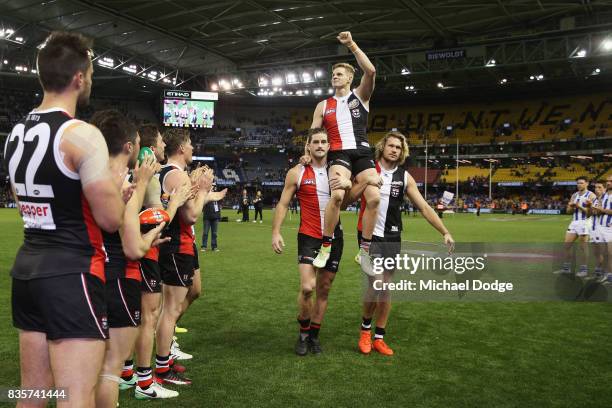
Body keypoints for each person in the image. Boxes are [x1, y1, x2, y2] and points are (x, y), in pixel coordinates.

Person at [3, 31, 125, 407]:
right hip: (73, 273)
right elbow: (109, 220)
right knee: (75, 397)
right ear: (79, 78)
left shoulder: (14, 134)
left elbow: (26, 201)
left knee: (33, 395)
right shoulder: (82, 136)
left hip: (28, 270)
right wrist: (120, 192)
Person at [91, 110, 179, 406]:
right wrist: (152, 232)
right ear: (128, 146)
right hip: (118, 274)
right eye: (139, 142)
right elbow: (133, 248)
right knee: (109, 369)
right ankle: (141, 380)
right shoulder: (123, 183)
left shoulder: (89, 176)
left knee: (86, 370)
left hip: (86, 274)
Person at [347, 132, 454, 355]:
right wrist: (363, 181)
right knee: (378, 285)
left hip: (393, 236)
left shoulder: (405, 177)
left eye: (398, 147)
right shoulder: (368, 170)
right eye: (391, 145)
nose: (394, 150)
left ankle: (379, 337)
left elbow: (424, 207)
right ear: (382, 147)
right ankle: (365, 331)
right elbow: (349, 198)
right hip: (369, 236)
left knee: (386, 289)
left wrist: (444, 231)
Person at [154, 128, 226, 386]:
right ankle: (162, 368)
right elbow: (190, 216)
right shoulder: (177, 175)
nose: (193, 148)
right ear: (182, 149)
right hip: (177, 245)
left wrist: (206, 194)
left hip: (179, 244)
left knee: (190, 294)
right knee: (169, 310)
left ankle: (165, 352)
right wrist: (204, 191)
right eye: (191, 144)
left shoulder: (167, 173)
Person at [272, 128, 351, 355]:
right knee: (308, 288)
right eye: (315, 141)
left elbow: (351, 194)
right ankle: (303, 333)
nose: (319, 145)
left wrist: (347, 184)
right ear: (308, 146)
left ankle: (314, 336)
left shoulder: (337, 171)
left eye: (323, 141)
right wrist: (276, 231)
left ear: (328, 146)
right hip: (308, 236)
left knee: (324, 289)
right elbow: (283, 204)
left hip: (335, 237)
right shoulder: (296, 172)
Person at [128, 123, 191, 399]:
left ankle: (127, 372)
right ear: (151, 148)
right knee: (147, 316)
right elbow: (160, 218)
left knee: (135, 315)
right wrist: (175, 202)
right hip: (146, 247)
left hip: (137, 246)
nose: (165, 146)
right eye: (161, 144)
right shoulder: (149, 173)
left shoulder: (147, 171)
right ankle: (144, 383)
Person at [310, 31, 380, 275]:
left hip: (361, 152)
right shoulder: (323, 105)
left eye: (339, 73)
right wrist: (308, 155)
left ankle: (365, 252)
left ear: (350, 77)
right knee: (338, 196)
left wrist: (351, 44)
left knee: (374, 198)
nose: (334, 76)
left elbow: (370, 72)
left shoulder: (360, 96)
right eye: (333, 74)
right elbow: (313, 134)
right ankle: (325, 245)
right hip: (338, 153)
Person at [560, 176, 596, 276]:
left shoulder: (591, 195)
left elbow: (590, 213)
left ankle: (584, 270)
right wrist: (571, 207)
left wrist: (578, 206)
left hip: (585, 222)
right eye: (578, 183)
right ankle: (566, 268)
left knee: (583, 247)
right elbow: (568, 211)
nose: (579, 185)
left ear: (587, 183)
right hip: (574, 222)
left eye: (581, 183)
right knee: (566, 246)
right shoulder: (574, 195)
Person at [589, 175, 612, 283]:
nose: (608, 183)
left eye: (611, 181)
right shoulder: (603, 196)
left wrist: (601, 209)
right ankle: (606, 275)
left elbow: (604, 210)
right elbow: (598, 212)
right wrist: (594, 208)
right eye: (607, 181)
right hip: (600, 228)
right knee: (604, 254)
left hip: (609, 228)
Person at [202, 184, 222, 251]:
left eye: (214, 186)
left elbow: (218, 206)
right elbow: (203, 203)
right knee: (205, 232)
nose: (213, 187)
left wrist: (219, 216)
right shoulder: (206, 195)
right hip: (207, 217)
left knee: (215, 233)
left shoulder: (216, 195)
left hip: (215, 217)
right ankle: (204, 246)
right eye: (212, 186)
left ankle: (214, 246)